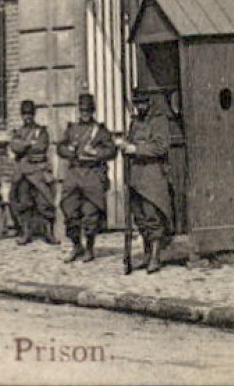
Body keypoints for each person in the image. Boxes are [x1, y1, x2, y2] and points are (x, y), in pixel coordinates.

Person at [55, 92, 116, 263]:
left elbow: (112, 151)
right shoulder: (72, 129)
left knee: (90, 214)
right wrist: (70, 151)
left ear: (93, 111)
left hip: (92, 175)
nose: (85, 113)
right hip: (74, 173)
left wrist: (96, 152)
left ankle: (89, 248)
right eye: (82, 110)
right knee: (70, 211)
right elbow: (60, 148)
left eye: (88, 110)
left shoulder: (100, 131)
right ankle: (76, 246)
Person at [119, 91, 175, 273]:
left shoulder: (159, 121)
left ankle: (155, 257)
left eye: (142, 104)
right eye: (136, 104)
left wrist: (135, 148)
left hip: (152, 176)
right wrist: (123, 145)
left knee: (152, 216)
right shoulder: (135, 122)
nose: (139, 107)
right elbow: (130, 142)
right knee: (140, 217)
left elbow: (161, 146)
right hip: (136, 176)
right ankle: (146, 253)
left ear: (149, 103)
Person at [6, 99, 57, 245]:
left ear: (34, 114)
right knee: (24, 202)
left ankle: (49, 233)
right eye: (24, 114)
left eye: (29, 114)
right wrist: (28, 144)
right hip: (22, 173)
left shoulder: (41, 131)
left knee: (44, 201)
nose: (27, 117)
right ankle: (25, 233)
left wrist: (24, 147)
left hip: (38, 172)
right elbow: (14, 147)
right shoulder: (18, 132)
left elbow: (41, 148)